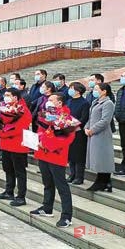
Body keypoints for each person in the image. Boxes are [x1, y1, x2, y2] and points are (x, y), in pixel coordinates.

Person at [31, 93, 78, 228]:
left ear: (59, 103)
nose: (48, 102)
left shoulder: (67, 119)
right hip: (43, 153)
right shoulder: (46, 115)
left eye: (51, 100)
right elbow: (40, 129)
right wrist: (39, 139)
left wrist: (47, 144)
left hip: (56, 155)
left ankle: (66, 216)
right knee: (47, 182)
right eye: (48, 99)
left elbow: (67, 138)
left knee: (61, 186)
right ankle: (47, 207)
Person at [0, 88, 31, 207]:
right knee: (8, 169)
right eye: (5, 95)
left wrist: (2, 133)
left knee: (19, 172)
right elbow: (2, 122)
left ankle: (21, 196)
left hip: (17, 145)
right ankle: (9, 191)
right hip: (5, 144)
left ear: (15, 97)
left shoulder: (23, 110)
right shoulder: (5, 109)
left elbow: (20, 128)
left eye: (8, 95)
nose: (5, 97)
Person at [85, 83, 115, 192]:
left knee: (103, 158)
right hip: (93, 134)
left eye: (97, 89)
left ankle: (102, 181)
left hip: (101, 134)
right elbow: (91, 117)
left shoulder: (108, 103)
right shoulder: (95, 102)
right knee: (98, 158)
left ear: (104, 91)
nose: (94, 91)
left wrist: (92, 130)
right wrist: (86, 128)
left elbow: (105, 120)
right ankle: (105, 182)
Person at [66, 82, 90, 185]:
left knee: (79, 155)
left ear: (78, 90)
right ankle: (72, 174)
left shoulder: (84, 103)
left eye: (72, 88)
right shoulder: (69, 101)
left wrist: (74, 125)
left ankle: (79, 177)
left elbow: (84, 118)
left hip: (79, 132)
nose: (70, 90)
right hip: (68, 131)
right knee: (70, 154)